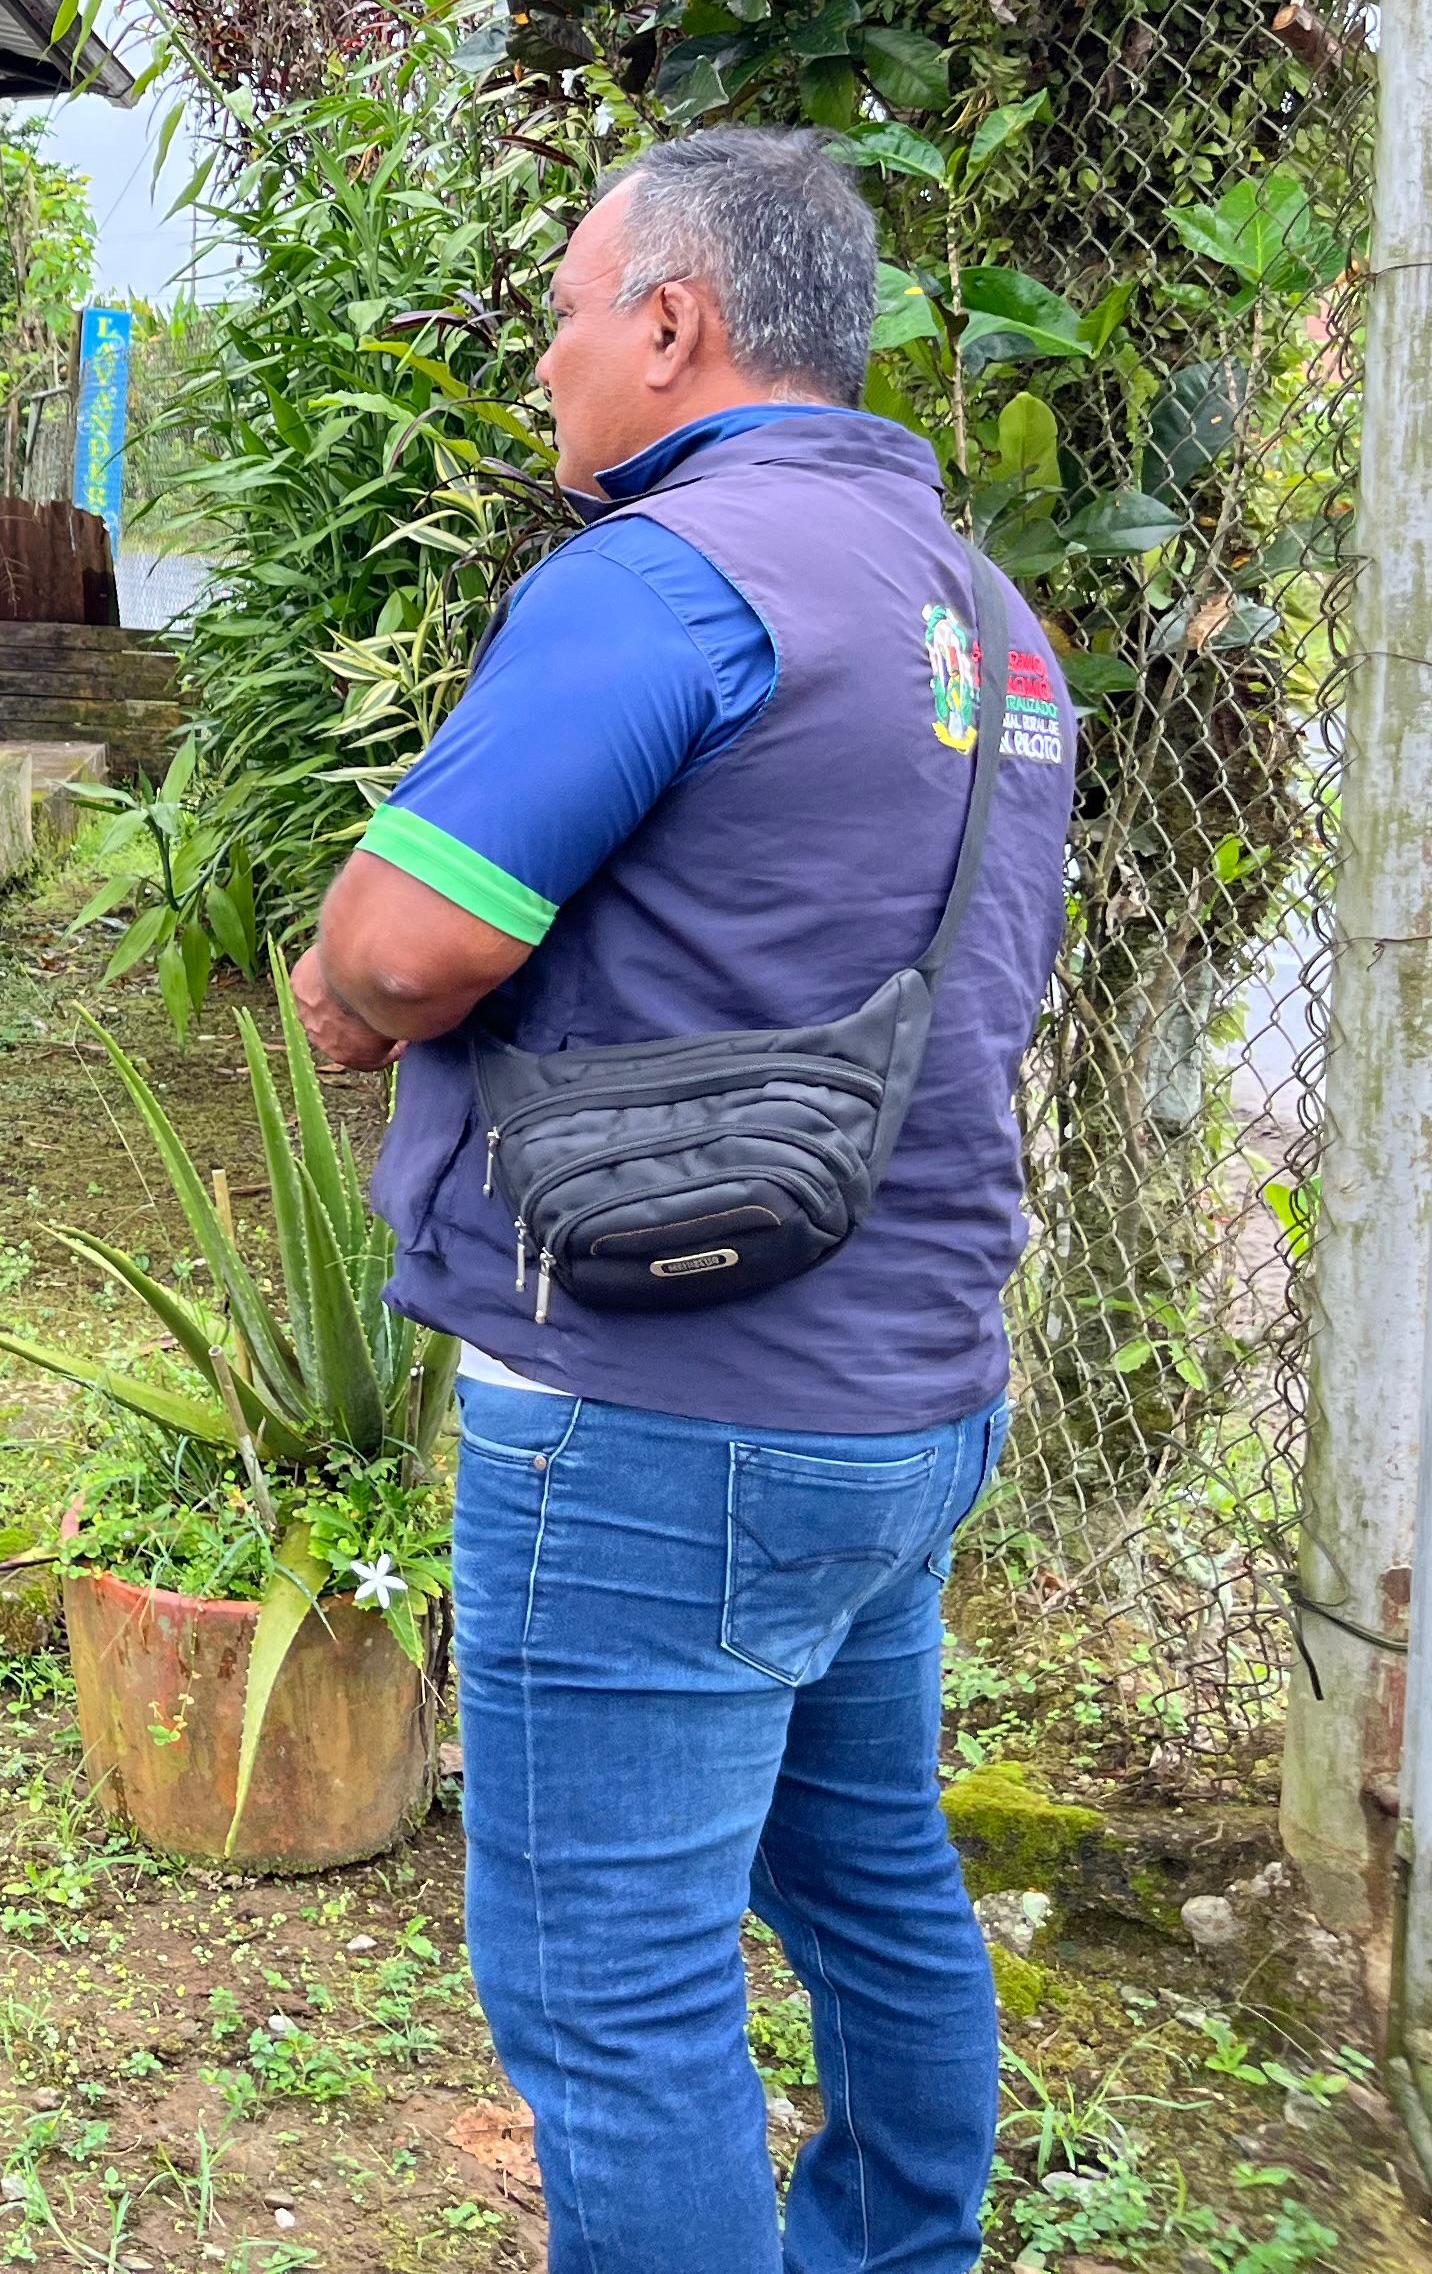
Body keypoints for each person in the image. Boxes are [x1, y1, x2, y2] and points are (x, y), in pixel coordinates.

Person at [287, 130, 1073, 2274]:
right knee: (874, 1885)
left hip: (659, 1419)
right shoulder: (992, 626)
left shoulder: (668, 580)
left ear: (672, 324)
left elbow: (407, 943)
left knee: (616, 1995)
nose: (543, 359)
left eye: (562, 315)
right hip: (908, 1395)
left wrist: (348, 976)